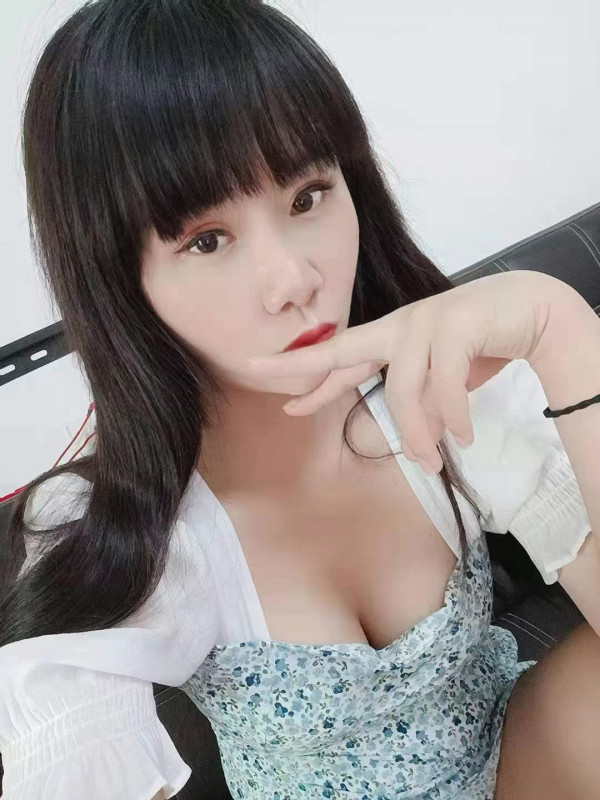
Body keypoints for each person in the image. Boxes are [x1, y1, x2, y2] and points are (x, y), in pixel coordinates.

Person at [1, 2, 599, 798]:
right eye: (207, 240)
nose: (294, 280)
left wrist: (560, 331)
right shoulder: (114, 524)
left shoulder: (437, 382)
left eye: (308, 196)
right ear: (118, 280)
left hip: (517, 762)